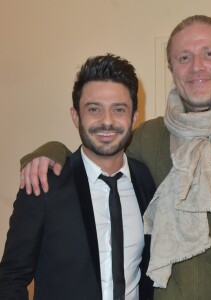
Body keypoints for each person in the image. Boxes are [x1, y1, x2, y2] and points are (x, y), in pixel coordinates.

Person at [17, 15, 211, 300]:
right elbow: (97, 153)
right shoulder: (149, 137)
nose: (197, 67)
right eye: (184, 57)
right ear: (171, 68)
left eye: (209, 54)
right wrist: (49, 152)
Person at [0, 54, 156, 300]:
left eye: (118, 109)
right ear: (75, 116)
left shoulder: (146, 179)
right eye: (94, 109)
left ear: (134, 117)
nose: (107, 121)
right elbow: (11, 278)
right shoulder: (43, 185)